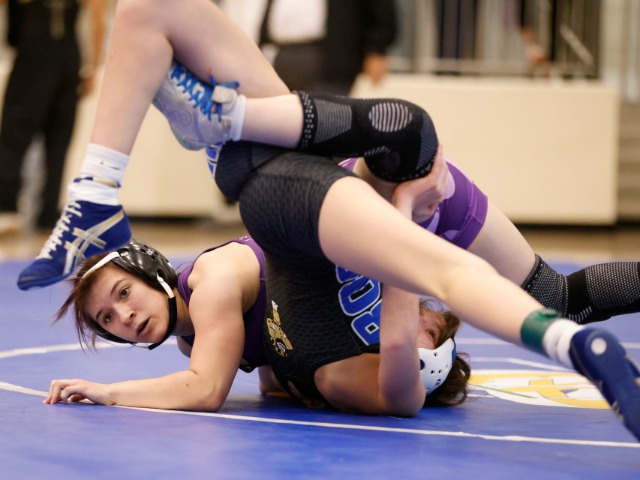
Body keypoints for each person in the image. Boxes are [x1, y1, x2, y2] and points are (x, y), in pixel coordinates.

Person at [21, 0, 639, 436]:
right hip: (347, 202)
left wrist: (107, 391)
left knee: (410, 163)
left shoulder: (216, 294)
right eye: (110, 321)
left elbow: (209, 386)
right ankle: (189, 142)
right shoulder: (340, 364)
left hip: (334, 202)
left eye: (120, 297)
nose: (124, 318)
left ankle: (176, 149)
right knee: (544, 293)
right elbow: (273, 373)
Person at [0, 0, 107, 235]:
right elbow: (98, 18)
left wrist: (91, 66)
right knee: (52, 140)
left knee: (22, 136)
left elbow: (98, 16)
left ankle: (14, 209)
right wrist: (91, 66)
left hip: (40, 55)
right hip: (62, 58)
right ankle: (44, 214)